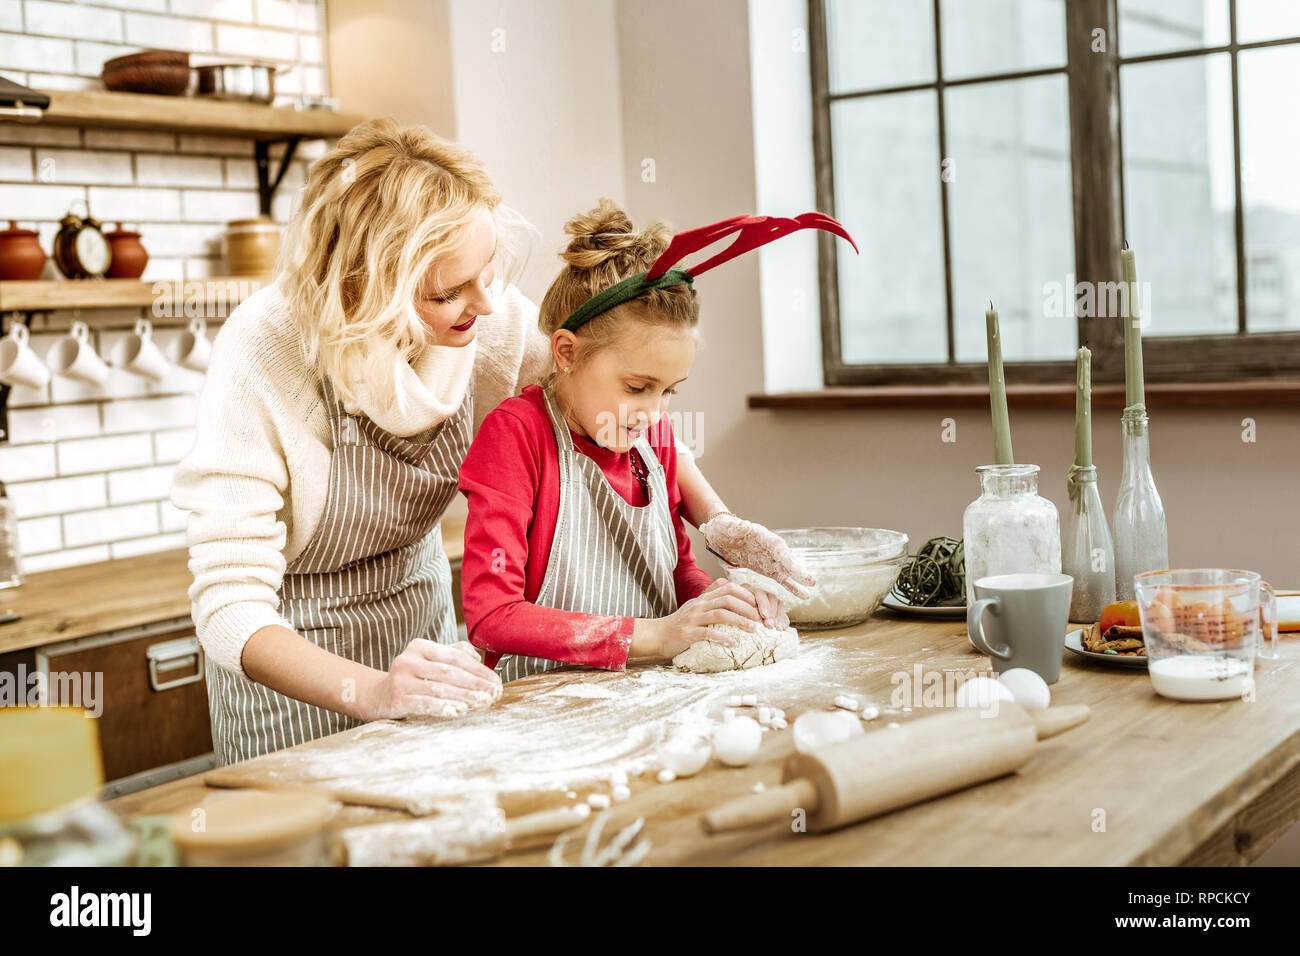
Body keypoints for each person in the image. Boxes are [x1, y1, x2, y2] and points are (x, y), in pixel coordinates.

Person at [458, 200, 841, 680]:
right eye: (637, 387)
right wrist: (659, 635)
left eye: (669, 391)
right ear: (567, 352)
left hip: (644, 691)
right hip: (540, 703)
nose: (655, 412)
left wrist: (722, 607)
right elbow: (492, 617)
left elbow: (677, 572)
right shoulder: (517, 435)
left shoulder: (650, 433)